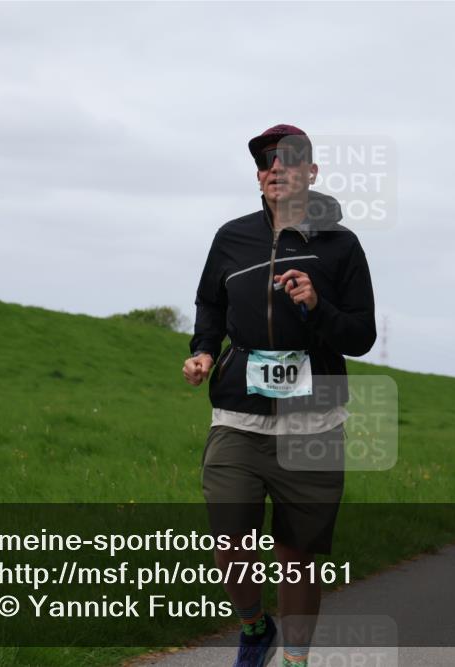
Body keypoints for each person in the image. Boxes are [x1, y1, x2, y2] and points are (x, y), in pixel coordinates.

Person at [183, 124, 376, 667]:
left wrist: (317, 306)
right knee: (228, 543)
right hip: (237, 416)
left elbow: (361, 336)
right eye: (266, 162)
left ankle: (295, 659)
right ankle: (254, 626)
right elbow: (209, 307)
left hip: (312, 423)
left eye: (288, 160)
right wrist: (203, 351)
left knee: (297, 557)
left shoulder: (341, 245)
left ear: (311, 173)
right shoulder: (231, 237)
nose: (275, 169)